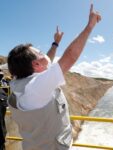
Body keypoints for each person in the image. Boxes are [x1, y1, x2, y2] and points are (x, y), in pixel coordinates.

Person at [7, 4, 101, 150]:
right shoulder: (36, 87)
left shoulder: (23, 84)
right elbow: (70, 56)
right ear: (36, 64)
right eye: (39, 52)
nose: (44, 53)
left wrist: (55, 43)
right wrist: (90, 26)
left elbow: (47, 60)